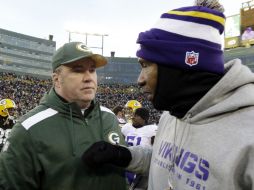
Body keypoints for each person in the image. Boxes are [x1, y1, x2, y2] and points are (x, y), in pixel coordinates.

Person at [82, 0, 254, 189]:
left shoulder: (248, 134)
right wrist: (123, 155)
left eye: (146, 65)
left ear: (180, 66)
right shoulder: (170, 115)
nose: (139, 80)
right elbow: (163, 162)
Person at [0, 42, 128, 190]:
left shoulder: (109, 117)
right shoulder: (28, 129)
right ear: (57, 79)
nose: (89, 78)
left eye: (92, 70)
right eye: (78, 70)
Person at [121, 107, 157, 190]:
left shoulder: (152, 129)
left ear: (143, 118)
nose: (133, 117)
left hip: (141, 167)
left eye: (136, 116)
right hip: (127, 162)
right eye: (134, 115)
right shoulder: (127, 127)